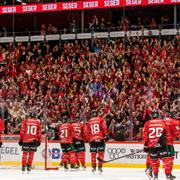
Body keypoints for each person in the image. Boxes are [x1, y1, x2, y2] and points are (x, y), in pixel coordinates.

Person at [143, 111, 175, 180]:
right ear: (158, 115)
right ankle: (168, 176)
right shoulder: (163, 122)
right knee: (166, 161)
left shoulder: (147, 123)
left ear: (151, 116)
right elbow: (168, 133)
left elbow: (145, 136)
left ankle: (155, 177)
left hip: (152, 146)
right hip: (162, 145)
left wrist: (145, 146)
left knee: (154, 162)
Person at [163, 111, 180, 179]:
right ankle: (168, 174)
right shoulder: (174, 122)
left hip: (159, 141)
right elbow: (178, 134)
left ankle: (150, 169)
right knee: (169, 159)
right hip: (168, 143)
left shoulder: (164, 119)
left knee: (156, 158)